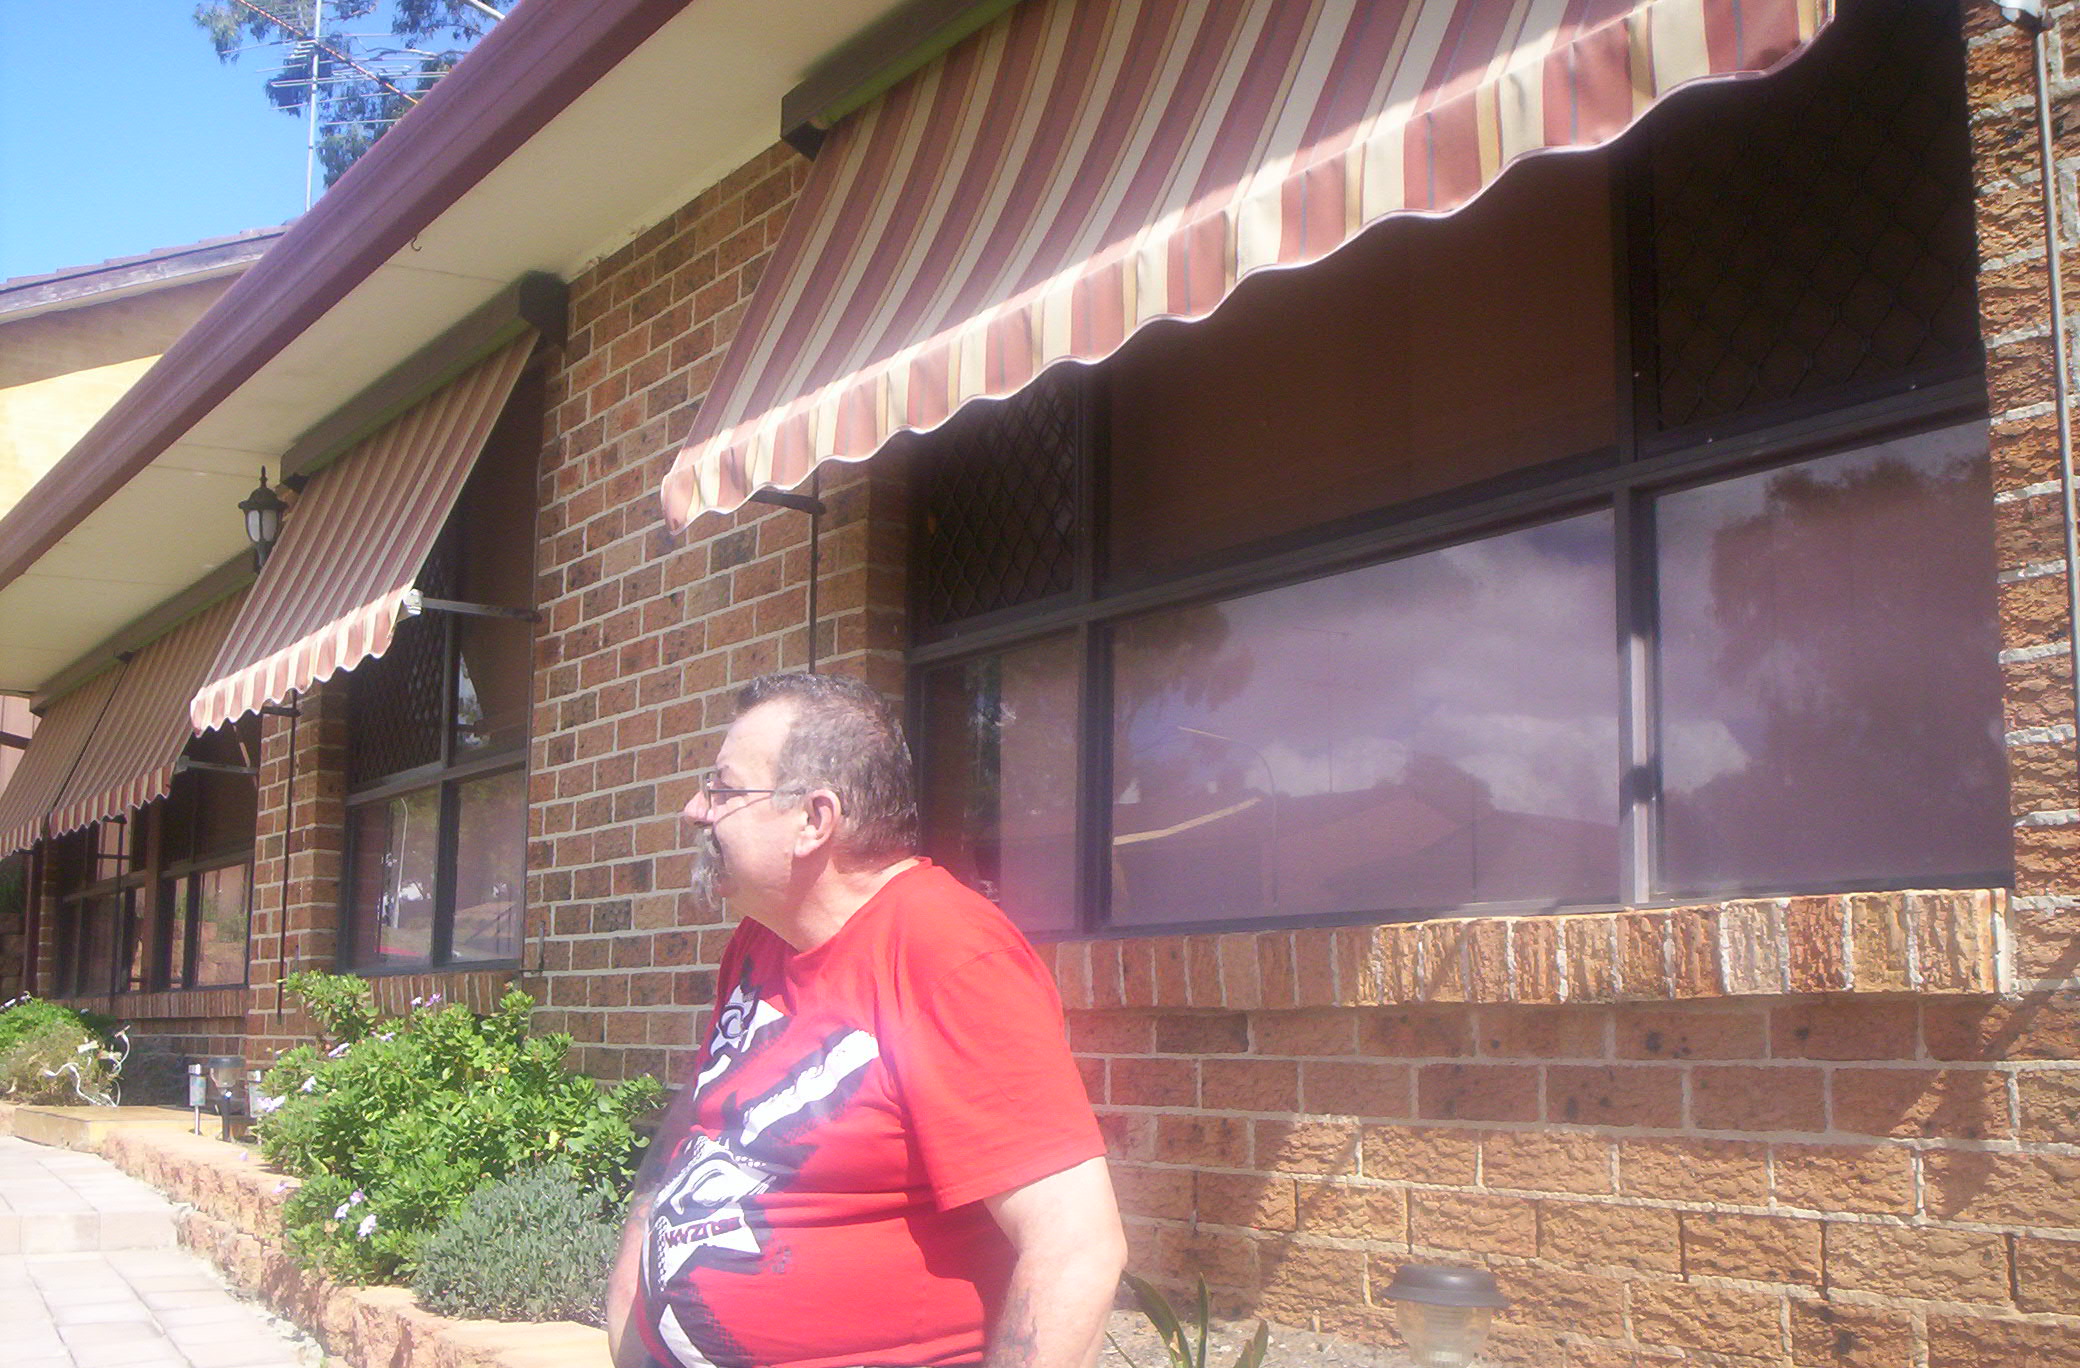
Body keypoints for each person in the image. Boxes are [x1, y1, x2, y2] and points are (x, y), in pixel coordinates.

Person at [606, 671, 1125, 1368]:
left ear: (814, 820)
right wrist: (631, 1306)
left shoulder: (946, 951)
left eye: (724, 790)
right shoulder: (763, 939)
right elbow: (703, 1123)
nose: (695, 810)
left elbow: (1075, 1245)